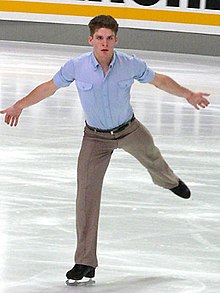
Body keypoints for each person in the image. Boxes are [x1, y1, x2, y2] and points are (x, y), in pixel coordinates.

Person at [0, 15, 210, 282]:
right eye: (99, 38)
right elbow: (48, 88)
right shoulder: (76, 67)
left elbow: (159, 81)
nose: (104, 43)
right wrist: (20, 104)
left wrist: (188, 94)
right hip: (95, 139)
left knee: (153, 158)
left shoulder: (129, 64)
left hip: (129, 129)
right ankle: (85, 261)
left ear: (116, 40)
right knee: (86, 197)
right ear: (90, 40)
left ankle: (169, 182)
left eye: (109, 38)